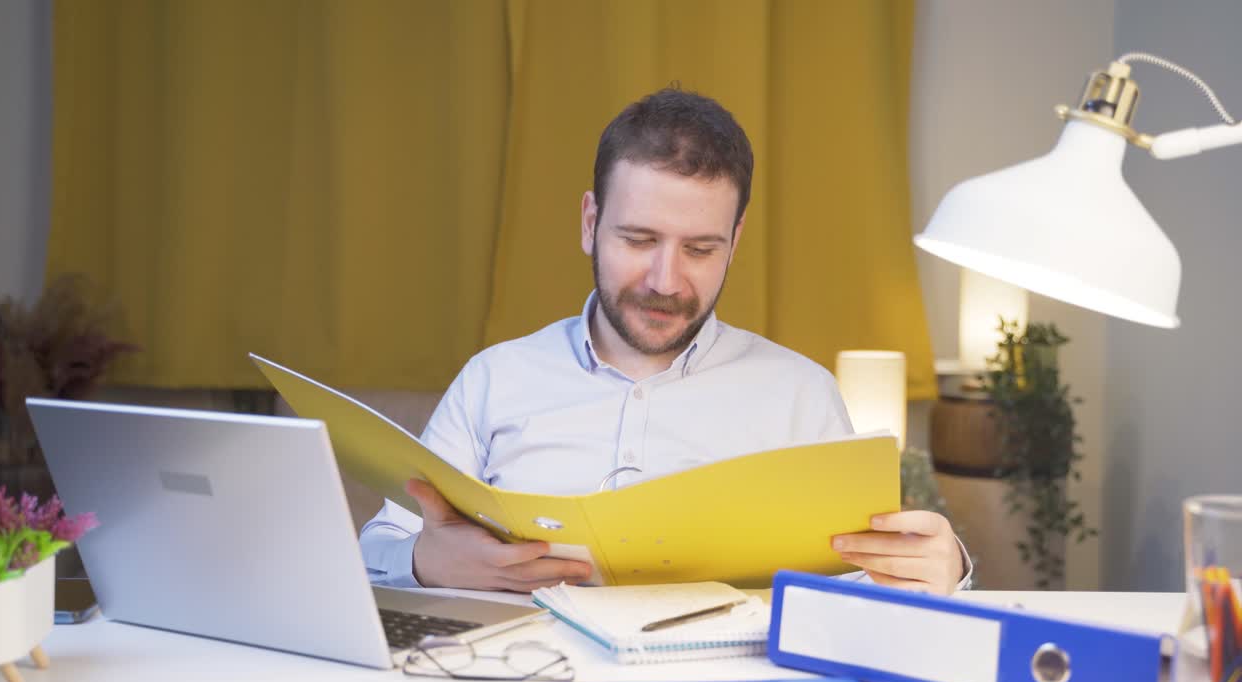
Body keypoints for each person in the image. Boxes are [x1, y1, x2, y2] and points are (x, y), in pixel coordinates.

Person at [360, 88, 970, 594]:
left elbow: (865, 582)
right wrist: (425, 563)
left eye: (701, 249)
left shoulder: (801, 394)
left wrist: (947, 570)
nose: (665, 281)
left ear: (736, 239)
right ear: (590, 223)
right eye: (639, 240)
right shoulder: (495, 378)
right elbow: (376, 552)